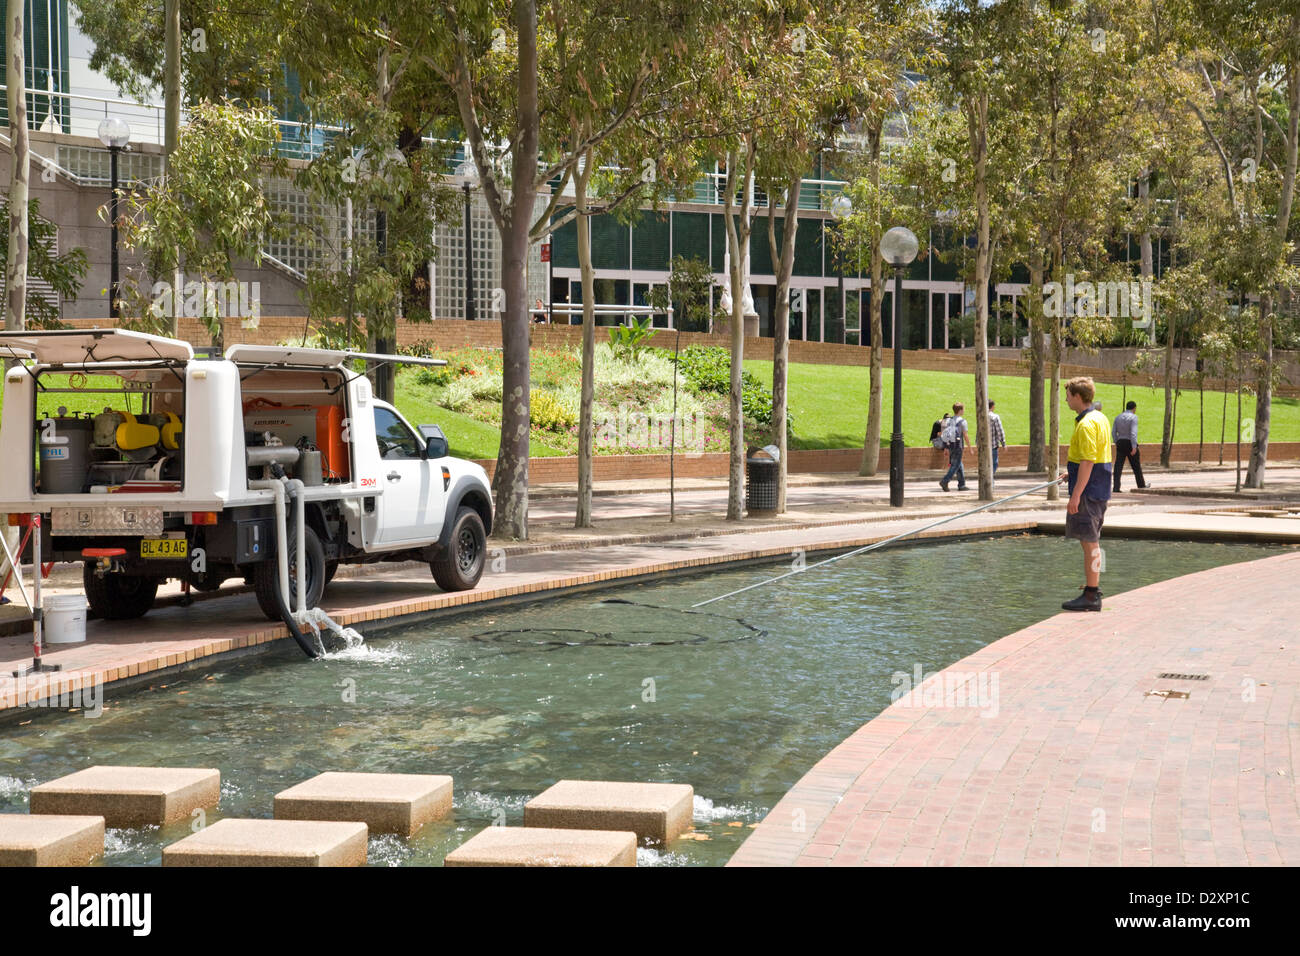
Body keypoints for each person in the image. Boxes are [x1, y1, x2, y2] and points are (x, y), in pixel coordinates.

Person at [1060, 376, 1113, 611]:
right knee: (1092, 542)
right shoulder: (1099, 417)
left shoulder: (1086, 424)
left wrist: (1075, 496)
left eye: (1069, 395)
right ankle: (1093, 590)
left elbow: (1089, 460)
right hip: (1098, 488)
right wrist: (1071, 473)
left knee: (1090, 543)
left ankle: (1092, 595)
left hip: (1088, 493)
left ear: (1078, 397)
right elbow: (1094, 456)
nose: (1066, 399)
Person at [1112, 400, 1148, 492]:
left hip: (1120, 442)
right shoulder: (1134, 417)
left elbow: (1113, 432)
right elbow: (1133, 433)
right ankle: (1141, 485)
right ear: (1134, 408)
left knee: (1118, 466)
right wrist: (1134, 446)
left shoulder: (1118, 417)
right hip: (1129, 442)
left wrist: (1117, 441)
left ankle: (1116, 487)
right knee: (1136, 465)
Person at [939, 402, 970, 491]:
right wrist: (970, 447)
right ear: (960, 410)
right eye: (963, 409)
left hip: (950, 445)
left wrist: (945, 447)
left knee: (958, 464)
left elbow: (944, 434)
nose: (964, 410)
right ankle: (945, 481)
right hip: (958, 446)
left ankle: (962, 485)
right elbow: (965, 435)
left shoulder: (948, 420)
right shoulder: (963, 421)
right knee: (955, 465)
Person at [987, 399, 1006, 474]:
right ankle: (990, 481)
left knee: (986, 464)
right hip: (993, 445)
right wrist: (1003, 443)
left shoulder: (981, 416)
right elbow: (1000, 431)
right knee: (994, 464)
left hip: (983, 446)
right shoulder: (995, 417)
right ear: (993, 406)